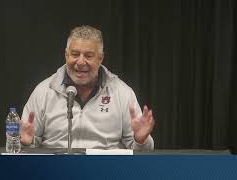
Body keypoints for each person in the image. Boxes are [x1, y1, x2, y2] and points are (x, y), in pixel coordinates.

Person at [20, 25, 155, 150]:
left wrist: (141, 140)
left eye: (89, 56)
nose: (80, 62)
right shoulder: (43, 92)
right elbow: (27, 150)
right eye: (75, 54)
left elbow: (141, 156)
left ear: (100, 58)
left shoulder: (122, 93)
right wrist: (25, 143)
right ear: (66, 55)